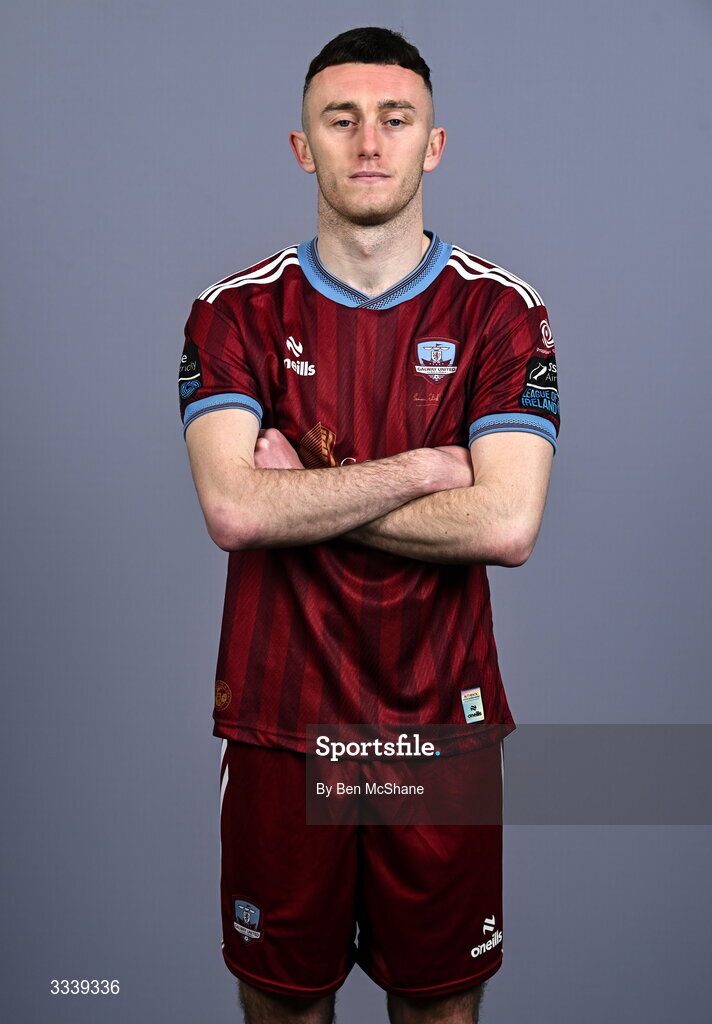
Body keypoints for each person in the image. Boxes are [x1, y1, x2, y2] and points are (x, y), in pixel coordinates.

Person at [179, 25, 559, 1024]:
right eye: (340, 120)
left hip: (440, 732)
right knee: (283, 1009)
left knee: (440, 1011)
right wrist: (425, 471)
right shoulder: (233, 313)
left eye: (396, 119)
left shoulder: (501, 314)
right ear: (302, 147)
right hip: (281, 725)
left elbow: (508, 523)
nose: (369, 142)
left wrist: (302, 493)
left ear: (434, 144)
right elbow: (232, 507)